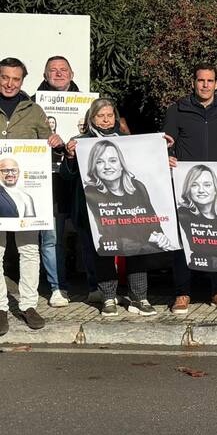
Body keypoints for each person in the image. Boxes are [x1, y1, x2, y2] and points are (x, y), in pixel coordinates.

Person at [161, 64, 217, 315]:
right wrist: (165, 156)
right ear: (194, 83)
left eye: (210, 81)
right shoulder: (177, 110)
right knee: (183, 239)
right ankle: (182, 293)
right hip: (185, 187)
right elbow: (165, 144)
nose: (205, 85)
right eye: (201, 80)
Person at [63, 99, 157, 315]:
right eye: (100, 116)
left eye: (109, 115)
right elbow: (66, 176)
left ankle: (139, 298)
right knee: (103, 252)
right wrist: (69, 157)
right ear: (91, 118)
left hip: (128, 209)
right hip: (94, 211)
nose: (106, 120)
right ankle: (108, 298)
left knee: (136, 249)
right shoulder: (80, 142)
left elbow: (146, 168)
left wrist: (163, 150)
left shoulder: (127, 141)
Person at [0, 56, 56, 332]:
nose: (10, 83)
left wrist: (54, 141)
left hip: (27, 194)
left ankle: (28, 305)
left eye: (16, 79)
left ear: (23, 81)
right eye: (5, 77)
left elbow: (48, 140)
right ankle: (0, 307)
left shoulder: (34, 110)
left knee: (29, 250)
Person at [35, 54, 78, 308]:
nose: (59, 74)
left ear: (72, 75)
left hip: (80, 178)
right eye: (53, 70)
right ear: (45, 75)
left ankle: (97, 287)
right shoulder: (31, 105)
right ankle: (57, 287)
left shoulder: (86, 105)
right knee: (52, 237)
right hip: (48, 179)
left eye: (64, 70)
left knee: (87, 234)